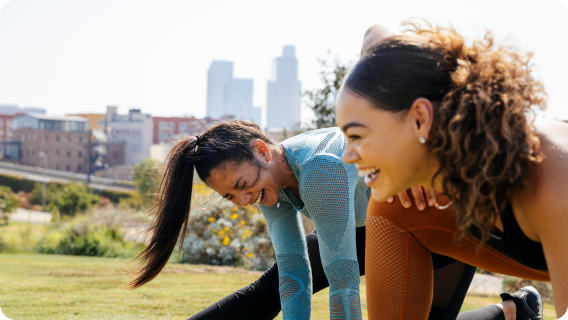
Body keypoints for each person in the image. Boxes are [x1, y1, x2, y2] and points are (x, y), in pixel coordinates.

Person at [129, 119, 478, 319]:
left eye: (243, 186)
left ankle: (510, 311)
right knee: (273, 285)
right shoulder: (269, 182)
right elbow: (295, 275)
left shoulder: (318, 169)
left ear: (262, 150)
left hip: (442, 224)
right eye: (230, 197)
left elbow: (343, 281)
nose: (244, 200)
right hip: (371, 227)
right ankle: (514, 311)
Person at [336, 19, 566, 319]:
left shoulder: (553, 185)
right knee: (392, 202)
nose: (346, 156)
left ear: (420, 118)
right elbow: (376, 32)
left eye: (357, 136)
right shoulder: (446, 156)